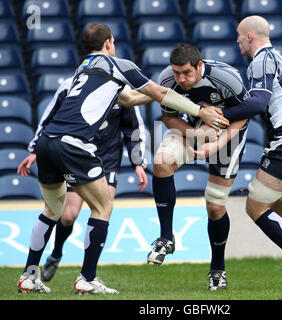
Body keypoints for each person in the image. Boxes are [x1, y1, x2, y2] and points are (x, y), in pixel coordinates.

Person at [16, 23, 229, 294]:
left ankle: (28, 275)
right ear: (109, 43)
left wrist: (166, 98)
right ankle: (87, 278)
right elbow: (159, 92)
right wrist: (200, 111)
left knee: (52, 211)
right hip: (74, 144)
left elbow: (127, 100)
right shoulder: (116, 64)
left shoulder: (83, 68)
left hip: (48, 142)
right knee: (103, 207)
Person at [191, 16, 282, 289]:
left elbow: (259, 102)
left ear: (249, 36)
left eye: (238, 35)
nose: (236, 40)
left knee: (255, 207)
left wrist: (220, 113)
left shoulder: (260, 60)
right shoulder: (276, 58)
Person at [120, 43, 249, 291]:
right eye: (177, 73)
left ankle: (217, 271)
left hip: (228, 137)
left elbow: (244, 115)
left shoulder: (226, 78)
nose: (181, 79)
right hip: (192, 131)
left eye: (187, 73)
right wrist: (195, 134)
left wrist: (216, 142)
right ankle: (166, 237)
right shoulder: (167, 79)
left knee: (214, 206)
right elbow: (169, 118)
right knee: (161, 162)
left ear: (199, 66)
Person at [17, 79, 148, 283]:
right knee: (68, 216)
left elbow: (134, 127)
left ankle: (88, 275)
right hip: (76, 155)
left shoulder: (122, 88)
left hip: (107, 159)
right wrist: (35, 150)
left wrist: (138, 162)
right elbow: (49, 118)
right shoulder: (71, 85)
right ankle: (57, 254)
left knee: (103, 209)